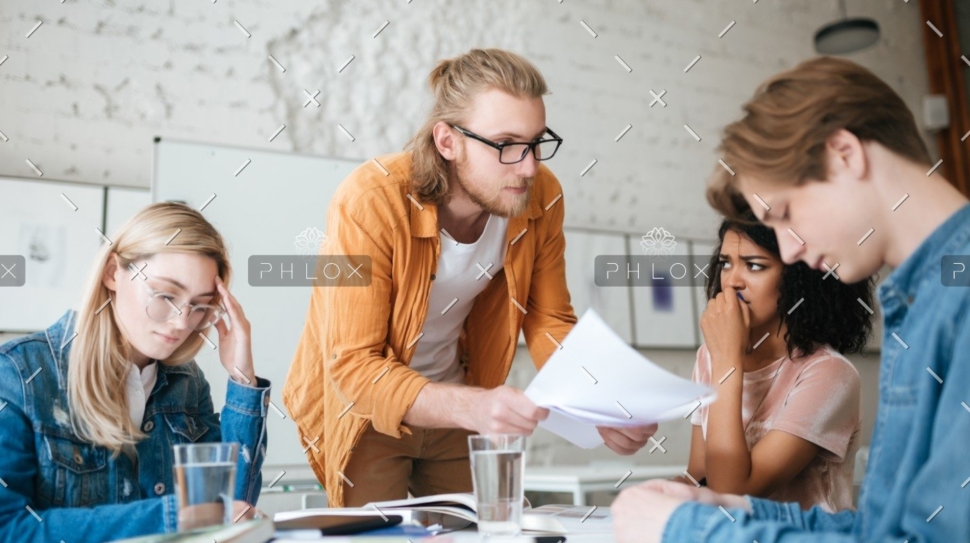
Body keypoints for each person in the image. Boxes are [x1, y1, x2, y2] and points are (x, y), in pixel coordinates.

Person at [612, 56, 970, 543]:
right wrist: (718, 507)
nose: (790, 248)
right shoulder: (926, 298)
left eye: (784, 214)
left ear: (845, 154)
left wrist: (692, 530)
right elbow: (889, 531)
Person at [284, 48, 657, 507]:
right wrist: (477, 406)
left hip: (459, 405)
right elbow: (354, 365)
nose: (528, 167)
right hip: (370, 412)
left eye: (537, 142)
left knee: (493, 530)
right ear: (447, 141)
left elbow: (549, 321)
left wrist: (597, 401)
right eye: (505, 145)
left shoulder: (541, 196)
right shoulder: (370, 199)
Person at [0, 202, 270, 542]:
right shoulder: (17, 374)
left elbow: (232, 510)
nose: (181, 321)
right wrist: (172, 517)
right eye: (164, 295)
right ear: (113, 272)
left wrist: (242, 379)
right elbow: (8, 530)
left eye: (200, 306)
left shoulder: (187, 383)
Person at [678, 214, 873, 512]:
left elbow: (733, 494)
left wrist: (727, 361)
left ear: (800, 278)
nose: (731, 282)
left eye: (755, 265)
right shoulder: (710, 356)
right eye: (726, 263)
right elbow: (699, 475)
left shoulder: (830, 374)